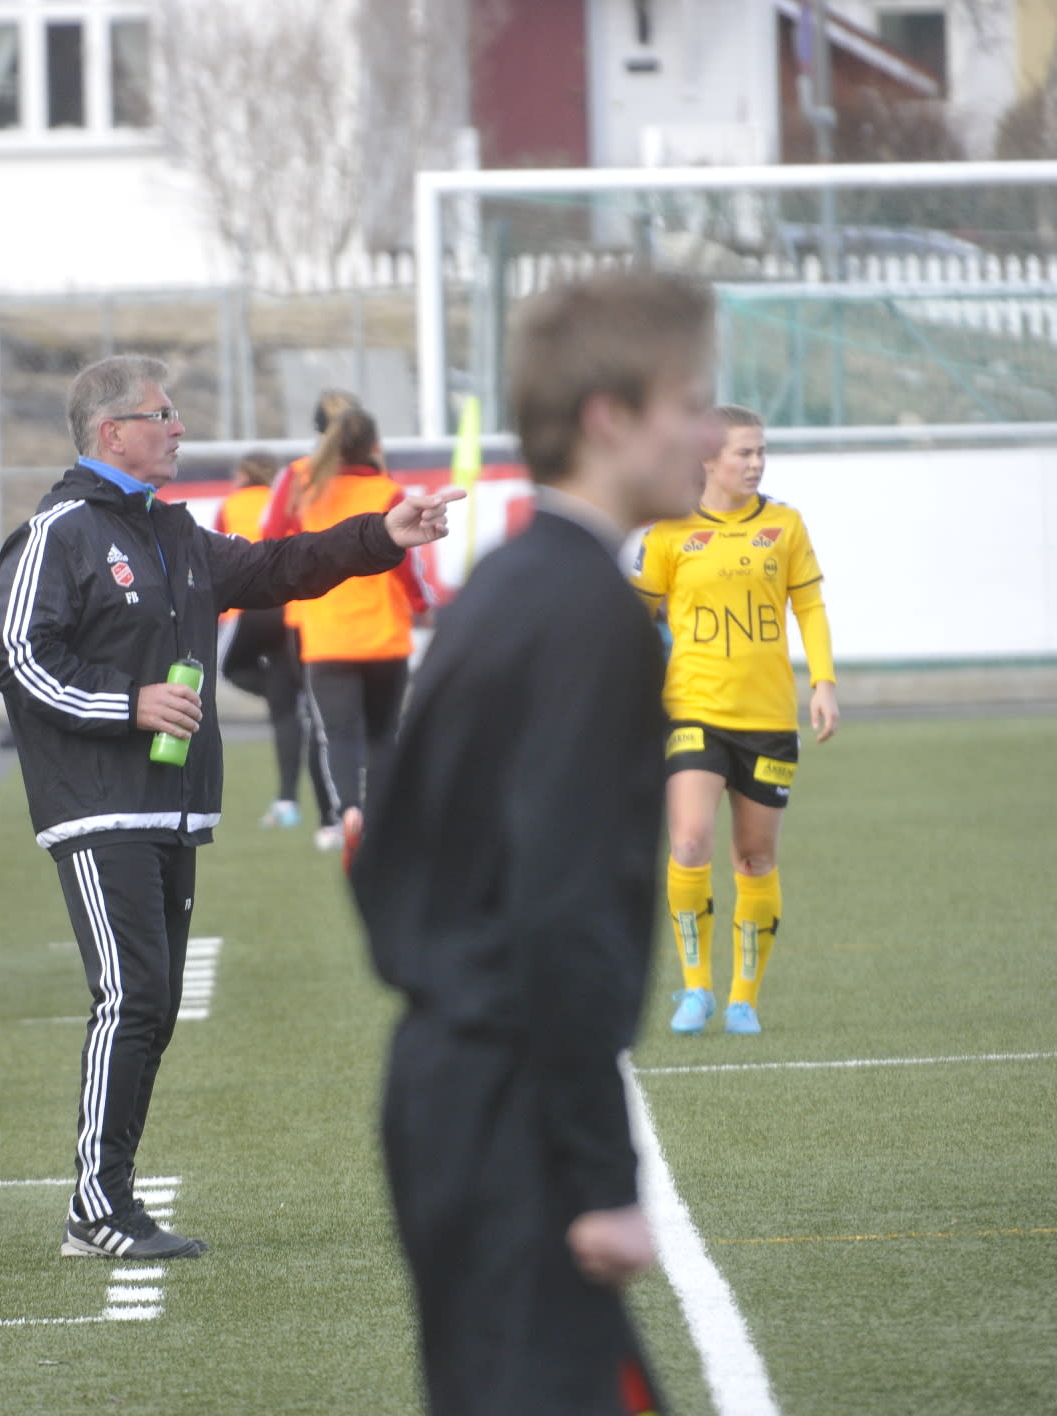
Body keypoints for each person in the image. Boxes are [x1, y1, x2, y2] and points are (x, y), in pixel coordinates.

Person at [0, 354, 460, 1262]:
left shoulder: (172, 530)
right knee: (131, 996)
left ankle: (106, 1199)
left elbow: (281, 565)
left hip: (172, 807)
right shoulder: (59, 531)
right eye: (162, 414)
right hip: (99, 807)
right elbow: (16, 654)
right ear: (112, 432)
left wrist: (383, 536)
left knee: (152, 1005)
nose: (179, 428)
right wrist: (128, 703)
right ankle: (96, 1207)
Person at [353, 270, 720, 1415]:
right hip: (509, 1115)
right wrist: (600, 1176)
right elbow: (560, 906)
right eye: (689, 403)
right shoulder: (586, 615)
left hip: (452, 1091)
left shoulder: (506, 585)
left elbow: (379, 849)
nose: (710, 435)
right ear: (609, 417)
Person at [635, 404, 838, 1037]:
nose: (755, 463)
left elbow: (810, 607)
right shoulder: (669, 531)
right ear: (707, 458)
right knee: (690, 841)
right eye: (743, 453)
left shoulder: (785, 525)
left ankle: (742, 999)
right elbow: (634, 616)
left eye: (760, 452)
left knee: (753, 859)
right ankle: (696, 987)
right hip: (692, 709)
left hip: (769, 718)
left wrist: (824, 683)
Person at [274, 404, 429, 863]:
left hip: (326, 633)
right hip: (383, 632)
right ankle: (382, 821)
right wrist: (421, 604)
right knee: (383, 735)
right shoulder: (387, 490)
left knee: (337, 735)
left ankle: (348, 812)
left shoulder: (305, 485)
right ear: (375, 445)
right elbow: (405, 562)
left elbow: (272, 536)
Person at [213, 450, 326, 830]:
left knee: (229, 668)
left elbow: (218, 556)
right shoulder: (287, 498)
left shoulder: (231, 504)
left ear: (243, 474)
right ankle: (287, 803)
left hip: (252, 604)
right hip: (290, 604)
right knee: (287, 706)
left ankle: (288, 802)